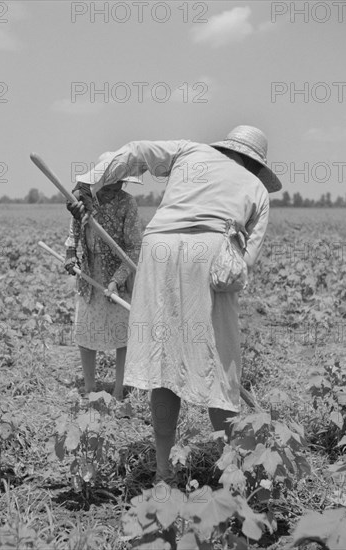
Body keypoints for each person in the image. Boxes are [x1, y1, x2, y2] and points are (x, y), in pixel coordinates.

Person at [67, 126, 282, 482]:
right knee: (220, 370)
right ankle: (231, 472)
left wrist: (87, 183)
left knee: (163, 365)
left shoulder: (189, 151)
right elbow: (243, 265)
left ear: (226, 148)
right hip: (210, 258)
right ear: (255, 165)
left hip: (159, 252)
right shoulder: (257, 190)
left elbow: (136, 150)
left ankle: (163, 472)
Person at [64, 152, 143, 400]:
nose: (117, 186)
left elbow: (133, 247)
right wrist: (70, 256)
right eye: (113, 180)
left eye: (121, 181)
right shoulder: (84, 200)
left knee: (122, 334)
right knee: (86, 330)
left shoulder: (127, 203)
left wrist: (116, 279)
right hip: (90, 272)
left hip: (118, 274)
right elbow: (74, 231)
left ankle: (119, 390)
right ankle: (90, 389)